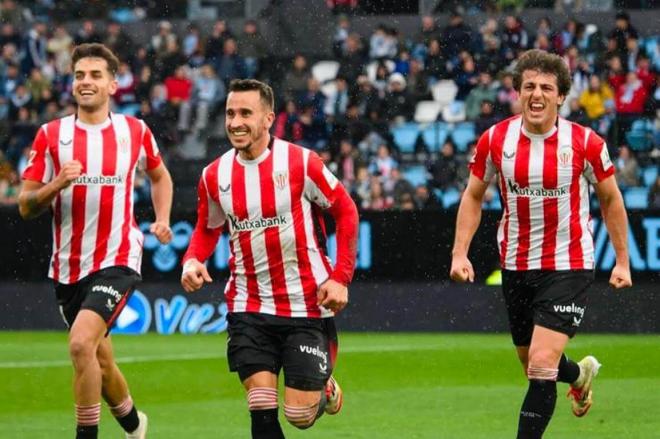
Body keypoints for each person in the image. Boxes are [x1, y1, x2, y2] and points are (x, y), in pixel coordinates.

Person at [449, 49, 632, 439]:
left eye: (547, 87)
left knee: (542, 362)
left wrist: (622, 261)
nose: (537, 94)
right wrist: (460, 252)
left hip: (569, 263)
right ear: (517, 91)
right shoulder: (495, 140)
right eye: (529, 86)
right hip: (516, 265)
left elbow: (611, 199)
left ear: (562, 96)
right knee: (535, 365)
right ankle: (578, 374)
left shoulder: (585, 142)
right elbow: (473, 195)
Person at [180, 79, 359, 439]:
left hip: (306, 303)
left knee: (298, 416)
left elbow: (346, 211)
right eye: (231, 113)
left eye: (246, 113)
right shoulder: (214, 175)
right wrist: (192, 259)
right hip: (248, 304)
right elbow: (206, 227)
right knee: (261, 407)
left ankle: (323, 389)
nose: (235, 122)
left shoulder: (301, 162)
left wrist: (340, 277)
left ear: (268, 119)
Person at [18, 43, 174, 439]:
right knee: (98, 360)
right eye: (80, 75)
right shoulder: (51, 135)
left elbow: (160, 176)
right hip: (68, 267)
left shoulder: (133, 131)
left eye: (95, 75)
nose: (86, 82)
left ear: (113, 84)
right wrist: (57, 183)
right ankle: (135, 427)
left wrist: (162, 219)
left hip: (118, 257)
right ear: (72, 83)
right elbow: (25, 205)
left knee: (79, 344)